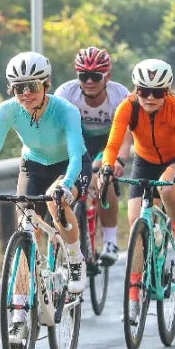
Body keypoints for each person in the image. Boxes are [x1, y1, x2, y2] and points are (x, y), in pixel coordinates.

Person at [0, 52, 90, 346]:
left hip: (69, 166)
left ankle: (75, 259)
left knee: (54, 200)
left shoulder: (66, 110)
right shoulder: (6, 110)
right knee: (26, 229)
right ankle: (19, 316)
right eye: (17, 87)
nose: (25, 94)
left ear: (46, 84)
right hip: (33, 166)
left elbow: (75, 155)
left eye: (32, 86)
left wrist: (66, 185)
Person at [100, 59, 175, 272]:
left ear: (167, 92)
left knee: (167, 187)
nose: (150, 98)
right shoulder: (127, 106)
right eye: (144, 92)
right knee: (137, 223)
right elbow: (112, 144)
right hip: (145, 162)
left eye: (158, 92)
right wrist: (107, 165)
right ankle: (135, 294)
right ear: (136, 90)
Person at [54, 47, 131, 266]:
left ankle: (110, 242)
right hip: (78, 141)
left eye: (95, 76)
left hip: (108, 142)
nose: (89, 81)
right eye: (83, 76)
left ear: (107, 76)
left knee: (102, 180)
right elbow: (57, 131)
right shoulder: (66, 93)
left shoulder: (120, 96)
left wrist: (118, 161)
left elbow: (125, 137)